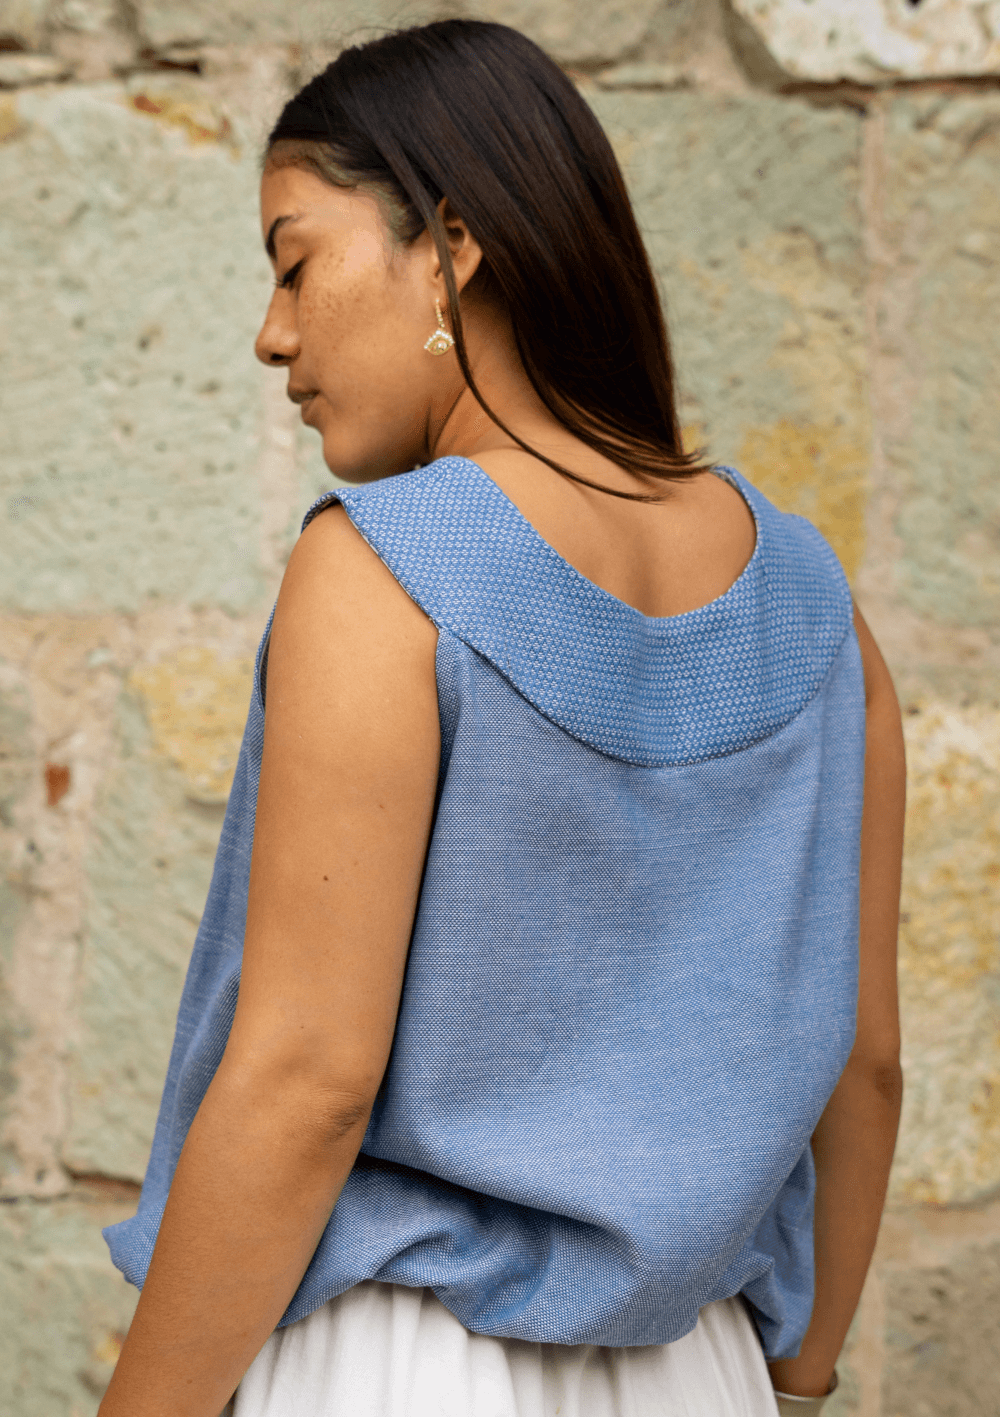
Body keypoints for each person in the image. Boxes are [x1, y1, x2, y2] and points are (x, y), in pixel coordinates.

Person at [97, 19, 905, 1417]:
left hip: (403, 1367)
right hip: (700, 1371)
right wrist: (794, 1378)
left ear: (451, 247)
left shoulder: (382, 568)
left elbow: (306, 1082)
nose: (273, 333)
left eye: (296, 263)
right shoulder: (818, 607)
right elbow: (868, 1069)